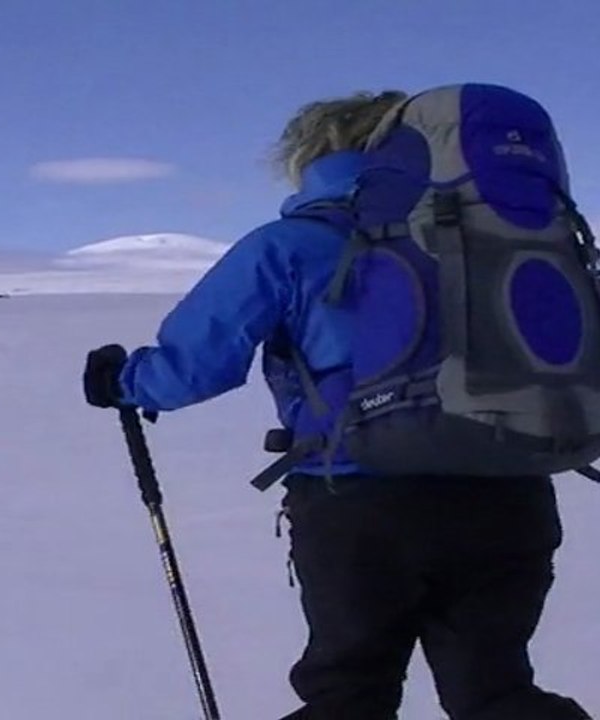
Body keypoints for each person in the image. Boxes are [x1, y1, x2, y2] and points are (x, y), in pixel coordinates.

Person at [83, 90, 593, 720]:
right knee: (495, 691)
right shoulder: (494, 235)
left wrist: (123, 381)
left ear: (310, 155)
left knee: (349, 694)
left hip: (357, 501)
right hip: (508, 490)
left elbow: (194, 368)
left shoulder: (291, 245)